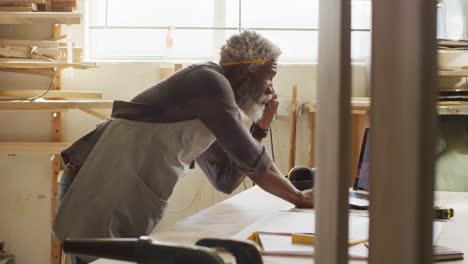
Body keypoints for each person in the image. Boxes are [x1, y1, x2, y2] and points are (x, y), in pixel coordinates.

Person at [53, 30, 314, 263]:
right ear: (247, 70)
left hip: (112, 195)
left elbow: (225, 179)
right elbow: (254, 162)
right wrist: (299, 197)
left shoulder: (209, 104)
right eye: (270, 76)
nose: (271, 88)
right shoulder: (209, 82)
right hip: (93, 187)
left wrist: (260, 128)